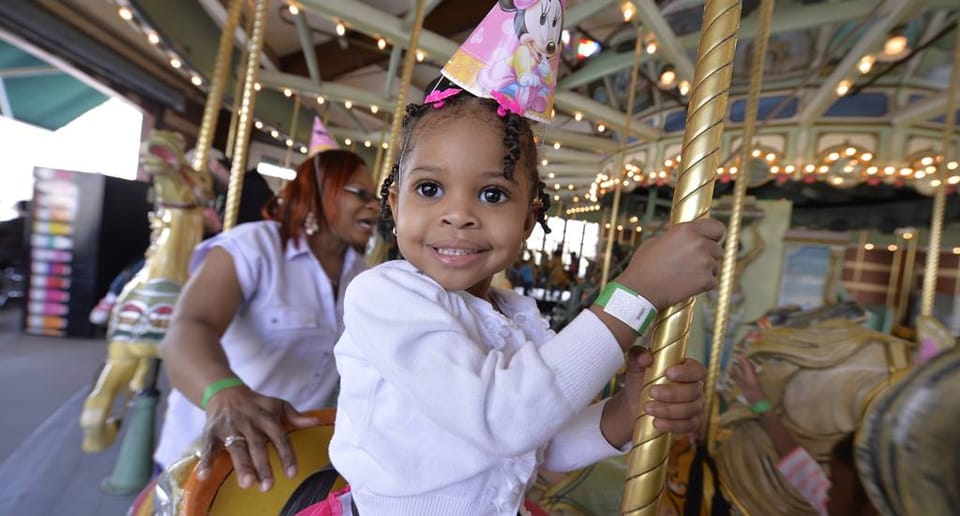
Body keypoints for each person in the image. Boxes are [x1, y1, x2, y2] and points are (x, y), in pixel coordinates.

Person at [309, 79, 724, 516]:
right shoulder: (383, 297)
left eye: (493, 194)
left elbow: (539, 446)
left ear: (528, 220)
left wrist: (627, 408)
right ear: (395, 205)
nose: (458, 215)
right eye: (429, 188)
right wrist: (635, 295)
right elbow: (502, 419)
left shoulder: (514, 317)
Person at [154, 149, 380, 491]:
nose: (374, 206)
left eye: (376, 198)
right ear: (319, 192)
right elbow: (189, 327)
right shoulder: (255, 246)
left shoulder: (362, 278)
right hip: (207, 452)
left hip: (286, 458)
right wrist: (223, 393)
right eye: (360, 194)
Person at [728, 355, 878, 516]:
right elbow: (799, 465)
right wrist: (757, 399)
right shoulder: (835, 505)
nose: (828, 491)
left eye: (835, 484)